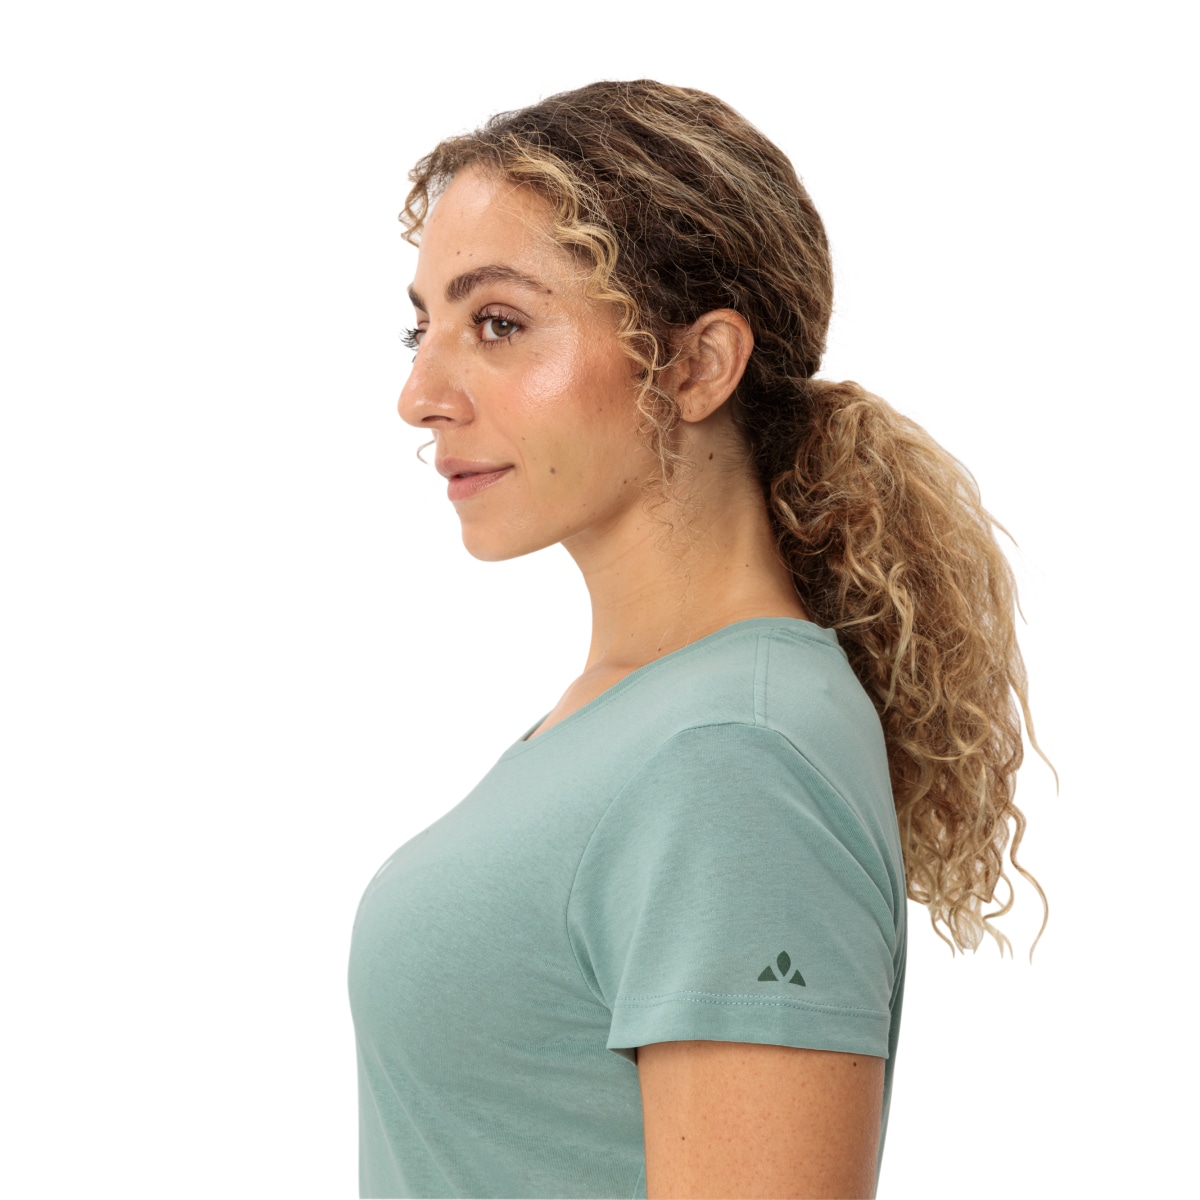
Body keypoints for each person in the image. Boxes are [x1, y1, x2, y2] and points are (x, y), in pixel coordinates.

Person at [347, 79, 1047, 1200]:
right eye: (418, 326)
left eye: (498, 324)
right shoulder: (643, 715)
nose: (419, 394)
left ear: (696, 365)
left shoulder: (733, 754)